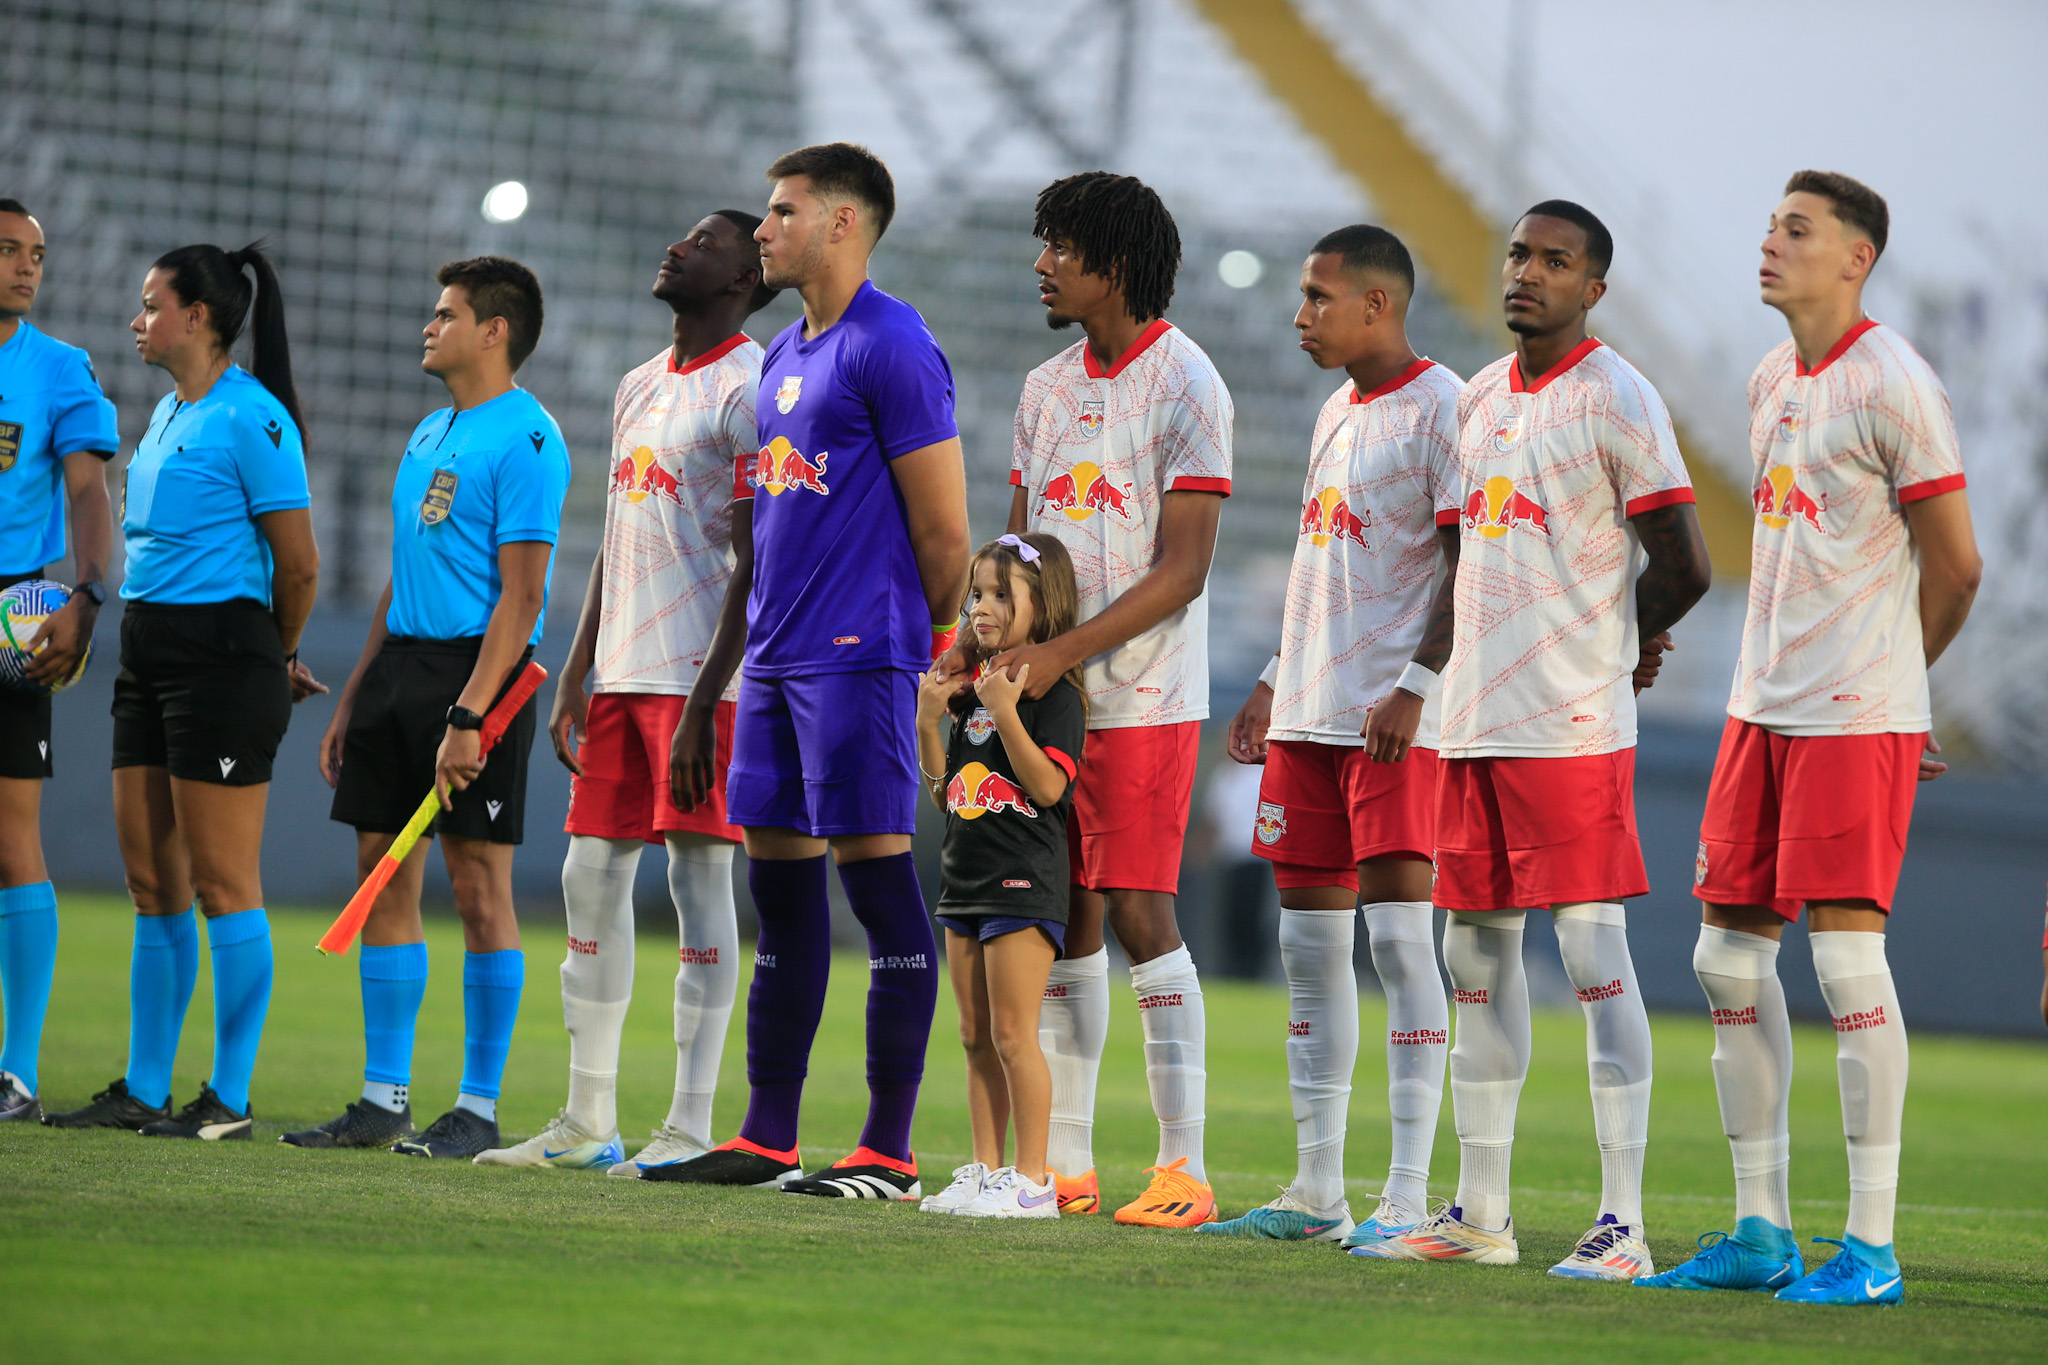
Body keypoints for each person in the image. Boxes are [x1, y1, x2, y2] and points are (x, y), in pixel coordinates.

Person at [1355, 201, 1712, 1278]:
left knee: (1593, 954)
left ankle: (1621, 1226)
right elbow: (1462, 572)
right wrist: (1422, 680)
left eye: (1554, 262)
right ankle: (1481, 1214)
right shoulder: (1472, 399)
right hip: (1471, 723)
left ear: (1590, 287)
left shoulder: (1617, 396)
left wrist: (1619, 641)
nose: (1527, 273)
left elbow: (1684, 563)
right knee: (1475, 955)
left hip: (1568, 723)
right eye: (1519, 254)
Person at [1641, 172, 1980, 1306]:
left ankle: (1869, 1252)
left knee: (1842, 963)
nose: (1768, 243)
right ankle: (1759, 1230)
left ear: (1855, 258)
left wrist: (1896, 688)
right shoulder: (1766, 379)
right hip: (1759, 707)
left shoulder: (1893, 384)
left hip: (1849, 714)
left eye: (1796, 230)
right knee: (1722, 959)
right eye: (1768, 225)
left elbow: (1958, 563)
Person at [642, 143, 970, 1199]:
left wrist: (915, 661)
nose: (764, 230)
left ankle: (887, 1151)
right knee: (777, 898)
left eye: (782, 213)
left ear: (842, 223)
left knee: (875, 887)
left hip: (860, 658)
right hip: (775, 663)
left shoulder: (894, 344)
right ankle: (766, 1134)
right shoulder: (782, 354)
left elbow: (946, 534)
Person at [473, 213, 776, 1172]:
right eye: (679, 236)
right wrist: (575, 665)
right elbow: (618, 530)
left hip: (701, 682)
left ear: (743, 277)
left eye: (703, 242)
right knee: (588, 875)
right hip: (620, 675)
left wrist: (705, 696)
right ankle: (586, 1121)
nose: (677, 247)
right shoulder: (638, 384)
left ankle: (688, 1122)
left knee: (698, 877)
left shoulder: (754, 383)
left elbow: (752, 557)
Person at [981, 171, 1232, 1227]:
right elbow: (1015, 545)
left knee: (1135, 908)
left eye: (1059, 248)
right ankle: (1070, 1165)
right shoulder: (1043, 388)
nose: (1039, 265)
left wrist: (1059, 656)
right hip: (1048, 696)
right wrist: (974, 644)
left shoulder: (1188, 386)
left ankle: (1183, 1169)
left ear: (1113, 264)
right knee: (1067, 915)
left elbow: (1182, 571)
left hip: (1143, 693)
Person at [1211, 225, 1460, 1244]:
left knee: (1400, 944)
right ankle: (1316, 1191)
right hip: (1308, 717)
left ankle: (1404, 1192)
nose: (1300, 314)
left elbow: (1462, 565)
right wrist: (1273, 679)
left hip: (1391, 722)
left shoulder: (1442, 408)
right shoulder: (1332, 410)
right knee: (1306, 950)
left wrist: (1414, 683)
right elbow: (1328, 567)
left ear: (1377, 303)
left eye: (1318, 296)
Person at [289, 257, 570, 1159]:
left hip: (474, 676)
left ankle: (479, 1107)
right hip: (401, 668)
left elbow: (521, 600)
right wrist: (354, 701)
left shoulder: (528, 439)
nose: (428, 325)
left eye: (444, 314)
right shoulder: (426, 433)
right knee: (382, 866)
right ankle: (384, 1098)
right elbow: (397, 581)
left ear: (494, 330)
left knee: (481, 883)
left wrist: (468, 716)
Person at [43, 242, 324, 1139]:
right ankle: (143, 1086)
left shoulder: (254, 418)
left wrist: (274, 656)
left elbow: (301, 566)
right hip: (150, 651)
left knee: (221, 882)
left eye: (151, 303)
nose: (138, 319)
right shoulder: (166, 412)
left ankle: (230, 1098)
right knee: (150, 879)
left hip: (226, 655)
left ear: (198, 316)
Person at [915, 533, 1086, 1219]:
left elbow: (1047, 787)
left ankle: (1033, 1178)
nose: (981, 606)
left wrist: (1009, 711)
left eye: (998, 594)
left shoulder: (1053, 692)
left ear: (1042, 607)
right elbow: (946, 793)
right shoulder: (971, 693)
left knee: (1015, 1034)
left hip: (1022, 881)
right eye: (976, 594)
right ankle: (985, 1168)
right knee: (974, 1033)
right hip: (965, 878)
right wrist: (931, 721)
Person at [0, 198, 118, 1124]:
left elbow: (88, 492)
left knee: (12, 833)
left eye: (35, 253)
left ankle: (19, 1069)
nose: (25, 267)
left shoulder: (59, 370)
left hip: (13, 611)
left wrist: (84, 596)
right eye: (7, 250)